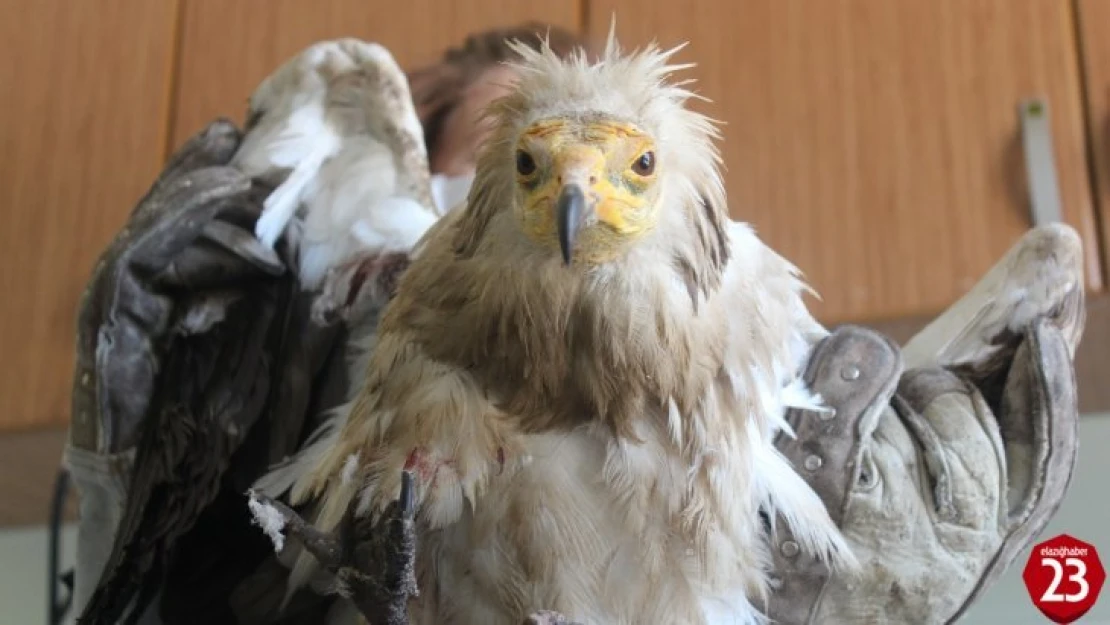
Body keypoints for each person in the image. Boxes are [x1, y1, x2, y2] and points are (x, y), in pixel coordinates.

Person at [64, 22, 1085, 625]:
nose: (575, 191)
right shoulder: (369, 265)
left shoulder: (745, 297)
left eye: (627, 161)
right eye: (516, 157)